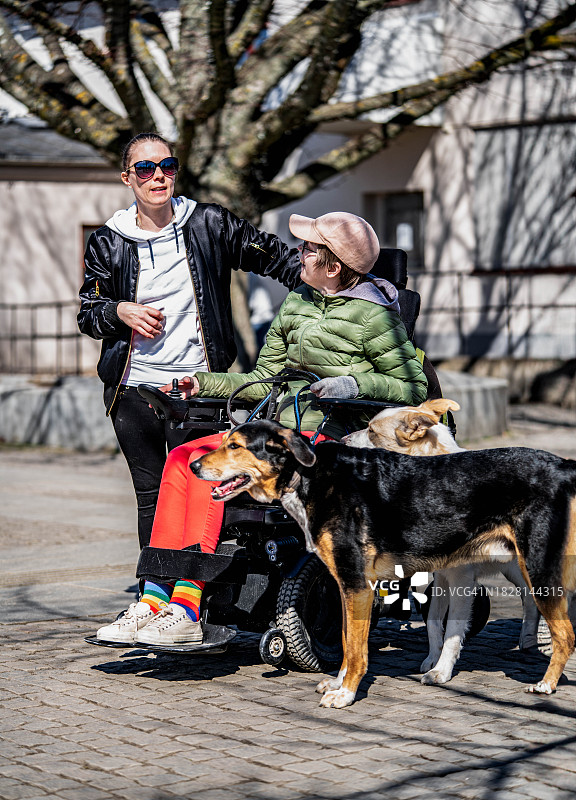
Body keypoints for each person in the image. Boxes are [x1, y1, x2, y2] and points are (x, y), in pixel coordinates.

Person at [96, 211, 428, 646]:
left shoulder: (375, 316)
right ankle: (156, 597)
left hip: (325, 437)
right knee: (183, 458)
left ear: (333, 266)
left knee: (216, 470)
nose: (298, 254)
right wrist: (201, 384)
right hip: (275, 431)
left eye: (308, 249)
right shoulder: (297, 302)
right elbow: (262, 380)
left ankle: (186, 607)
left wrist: (353, 383)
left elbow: (413, 385)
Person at [78, 132, 302, 550]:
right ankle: (153, 594)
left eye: (167, 166)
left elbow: (276, 257)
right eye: (145, 169)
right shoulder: (108, 241)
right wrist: (118, 311)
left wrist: (334, 280)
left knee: (200, 491)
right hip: (132, 391)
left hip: (198, 389)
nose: (158, 176)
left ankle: (193, 597)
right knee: (152, 499)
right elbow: (88, 314)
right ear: (128, 178)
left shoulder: (210, 223)